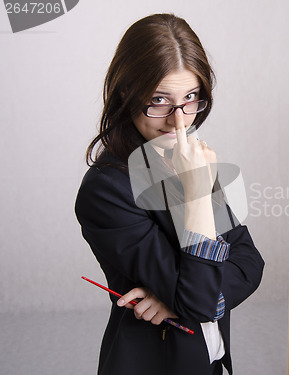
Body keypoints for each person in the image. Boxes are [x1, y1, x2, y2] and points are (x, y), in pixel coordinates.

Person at [75, 13, 264, 375]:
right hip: (154, 362)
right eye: (160, 99)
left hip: (209, 359)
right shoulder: (106, 191)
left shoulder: (186, 159)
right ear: (126, 92)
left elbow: (251, 261)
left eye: (191, 97)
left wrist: (190, 301)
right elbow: (197, 301)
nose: (179, 121)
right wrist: (196, 196)